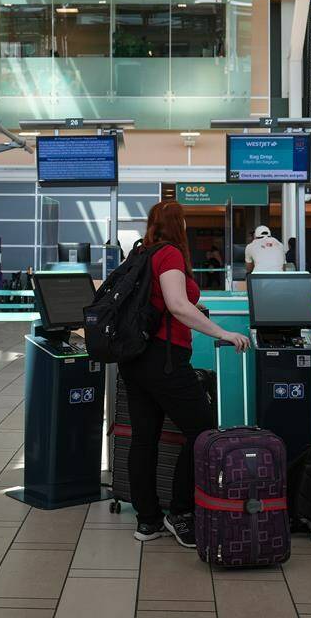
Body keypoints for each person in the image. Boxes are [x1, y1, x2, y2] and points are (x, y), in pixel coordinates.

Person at [120, 200, 249, 548]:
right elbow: (177, 305)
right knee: (202, 430)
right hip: (164, 361)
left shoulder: (141, 253)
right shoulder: (170, 254)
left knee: (144, 439)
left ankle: (147, 522)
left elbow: (164, 304)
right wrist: (222, 332)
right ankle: (179, 513)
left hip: (135, 360)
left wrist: (193, 308)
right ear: (179, 225)